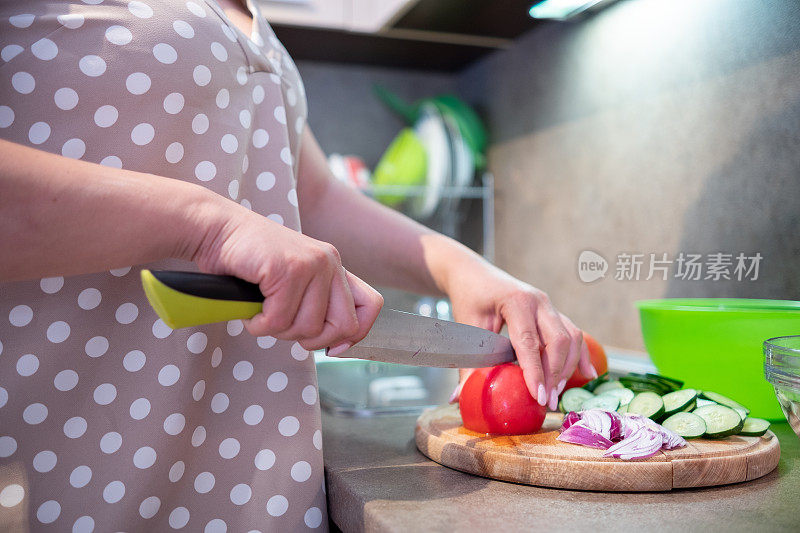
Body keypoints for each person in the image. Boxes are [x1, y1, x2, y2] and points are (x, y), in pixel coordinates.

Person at [0, 0, 594, 530]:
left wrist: (459, 268)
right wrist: (212, 225)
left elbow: (312, 198)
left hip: (254, 483)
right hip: (65, 462)